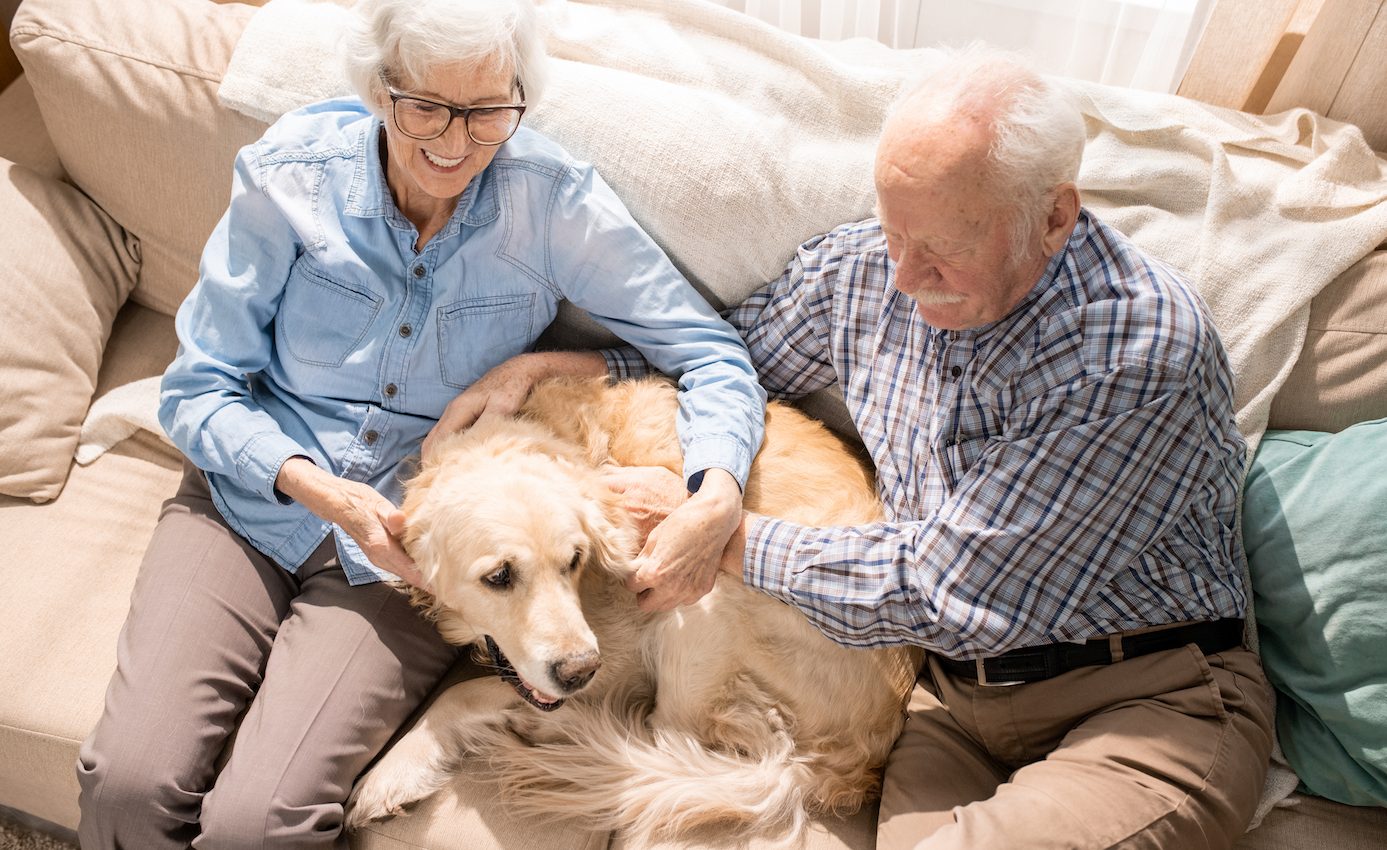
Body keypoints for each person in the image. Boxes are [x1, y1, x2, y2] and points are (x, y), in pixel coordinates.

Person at [503, 46, 1277, 849]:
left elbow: (954, 593)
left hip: (1142, 698)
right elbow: (728, 361)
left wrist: (717, 535)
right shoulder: (866, 271)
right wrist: (564, 372)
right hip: (946, 705)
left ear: (1054, 217)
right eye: (893, 229)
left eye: (943, 246)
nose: (903, 276)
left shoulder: (1135, 350)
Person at [74, 0, 764, 846]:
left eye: (487, 111)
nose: (455, 141)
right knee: (126, 786)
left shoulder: (553, 203)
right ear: (378, 89)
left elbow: (711, 354)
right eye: (425, 107)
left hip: (415, 557)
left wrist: (710, 491)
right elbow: (197, 388)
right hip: (248, 500)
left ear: (519, 100)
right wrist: (322, 492)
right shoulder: (292, 174)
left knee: (258, 823)